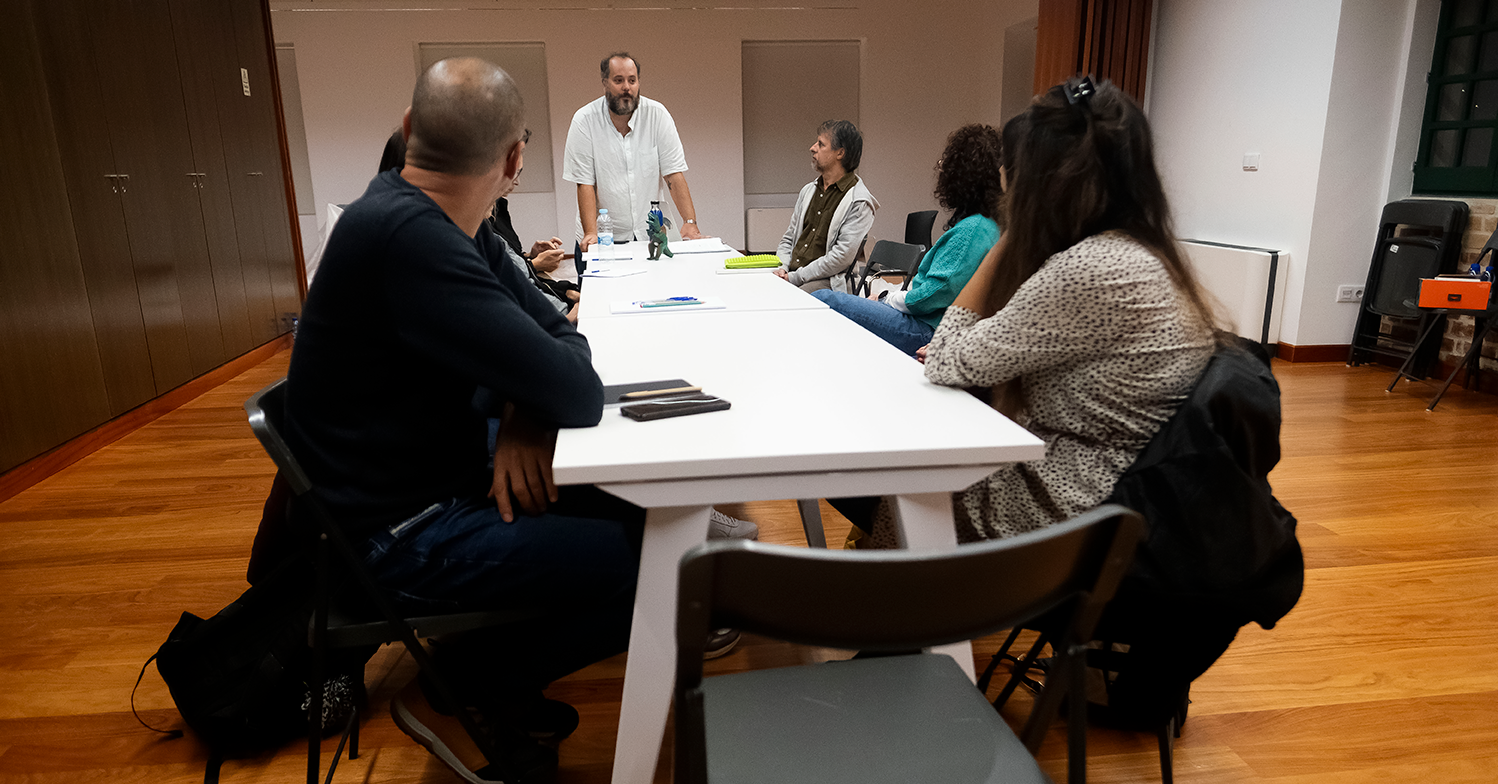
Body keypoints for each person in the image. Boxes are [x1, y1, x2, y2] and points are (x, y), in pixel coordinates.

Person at [283, 57, 640, 783]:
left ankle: (486, 680)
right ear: (513, 162)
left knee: (641, 512)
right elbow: (575, 385)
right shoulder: (411, 239)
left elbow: (563, 337)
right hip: (390, 536)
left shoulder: (440, 221)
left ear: (408, 128)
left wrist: (521, 409)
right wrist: (531, 392)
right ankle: (463, 688)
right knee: (659, 563)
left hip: (430, 483)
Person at [921, 76, 1219, 543]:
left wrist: (1013, 228)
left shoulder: (1089, 271)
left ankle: (890, 585)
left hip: (1062, 512)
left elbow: (942, 359)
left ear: (1038, 179)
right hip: (1113, 495)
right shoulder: (1143, 255)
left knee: (899, 487)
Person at [811, 124, 1004, 356]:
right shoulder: (982, 225)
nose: (941, 170)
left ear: (961, 175)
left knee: (822, 299)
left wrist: (887, 298)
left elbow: (933, 294)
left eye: (945, 164)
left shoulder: (973, 229)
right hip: (924, 320)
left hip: (924, 329)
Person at [562, 52, 705, 270]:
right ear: (605, 83)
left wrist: (690, 222)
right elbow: (585, 184)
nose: (626, 87)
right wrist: (591, 233)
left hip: (649, 236)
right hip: (603, 238)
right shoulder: (584, 120)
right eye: (618, 80)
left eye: (632, 80)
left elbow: (673, 174)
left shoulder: (657, 115)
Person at [773, 120, 879, 293]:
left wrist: (795, 277)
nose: (812, 148)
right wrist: (782, 268)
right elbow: (789, 239)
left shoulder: (859, 201)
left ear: (840, 153)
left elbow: (841, 258)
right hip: (793, 275)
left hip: (830, 281)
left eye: (821, 144)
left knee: (789, 298)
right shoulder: (808, 191)